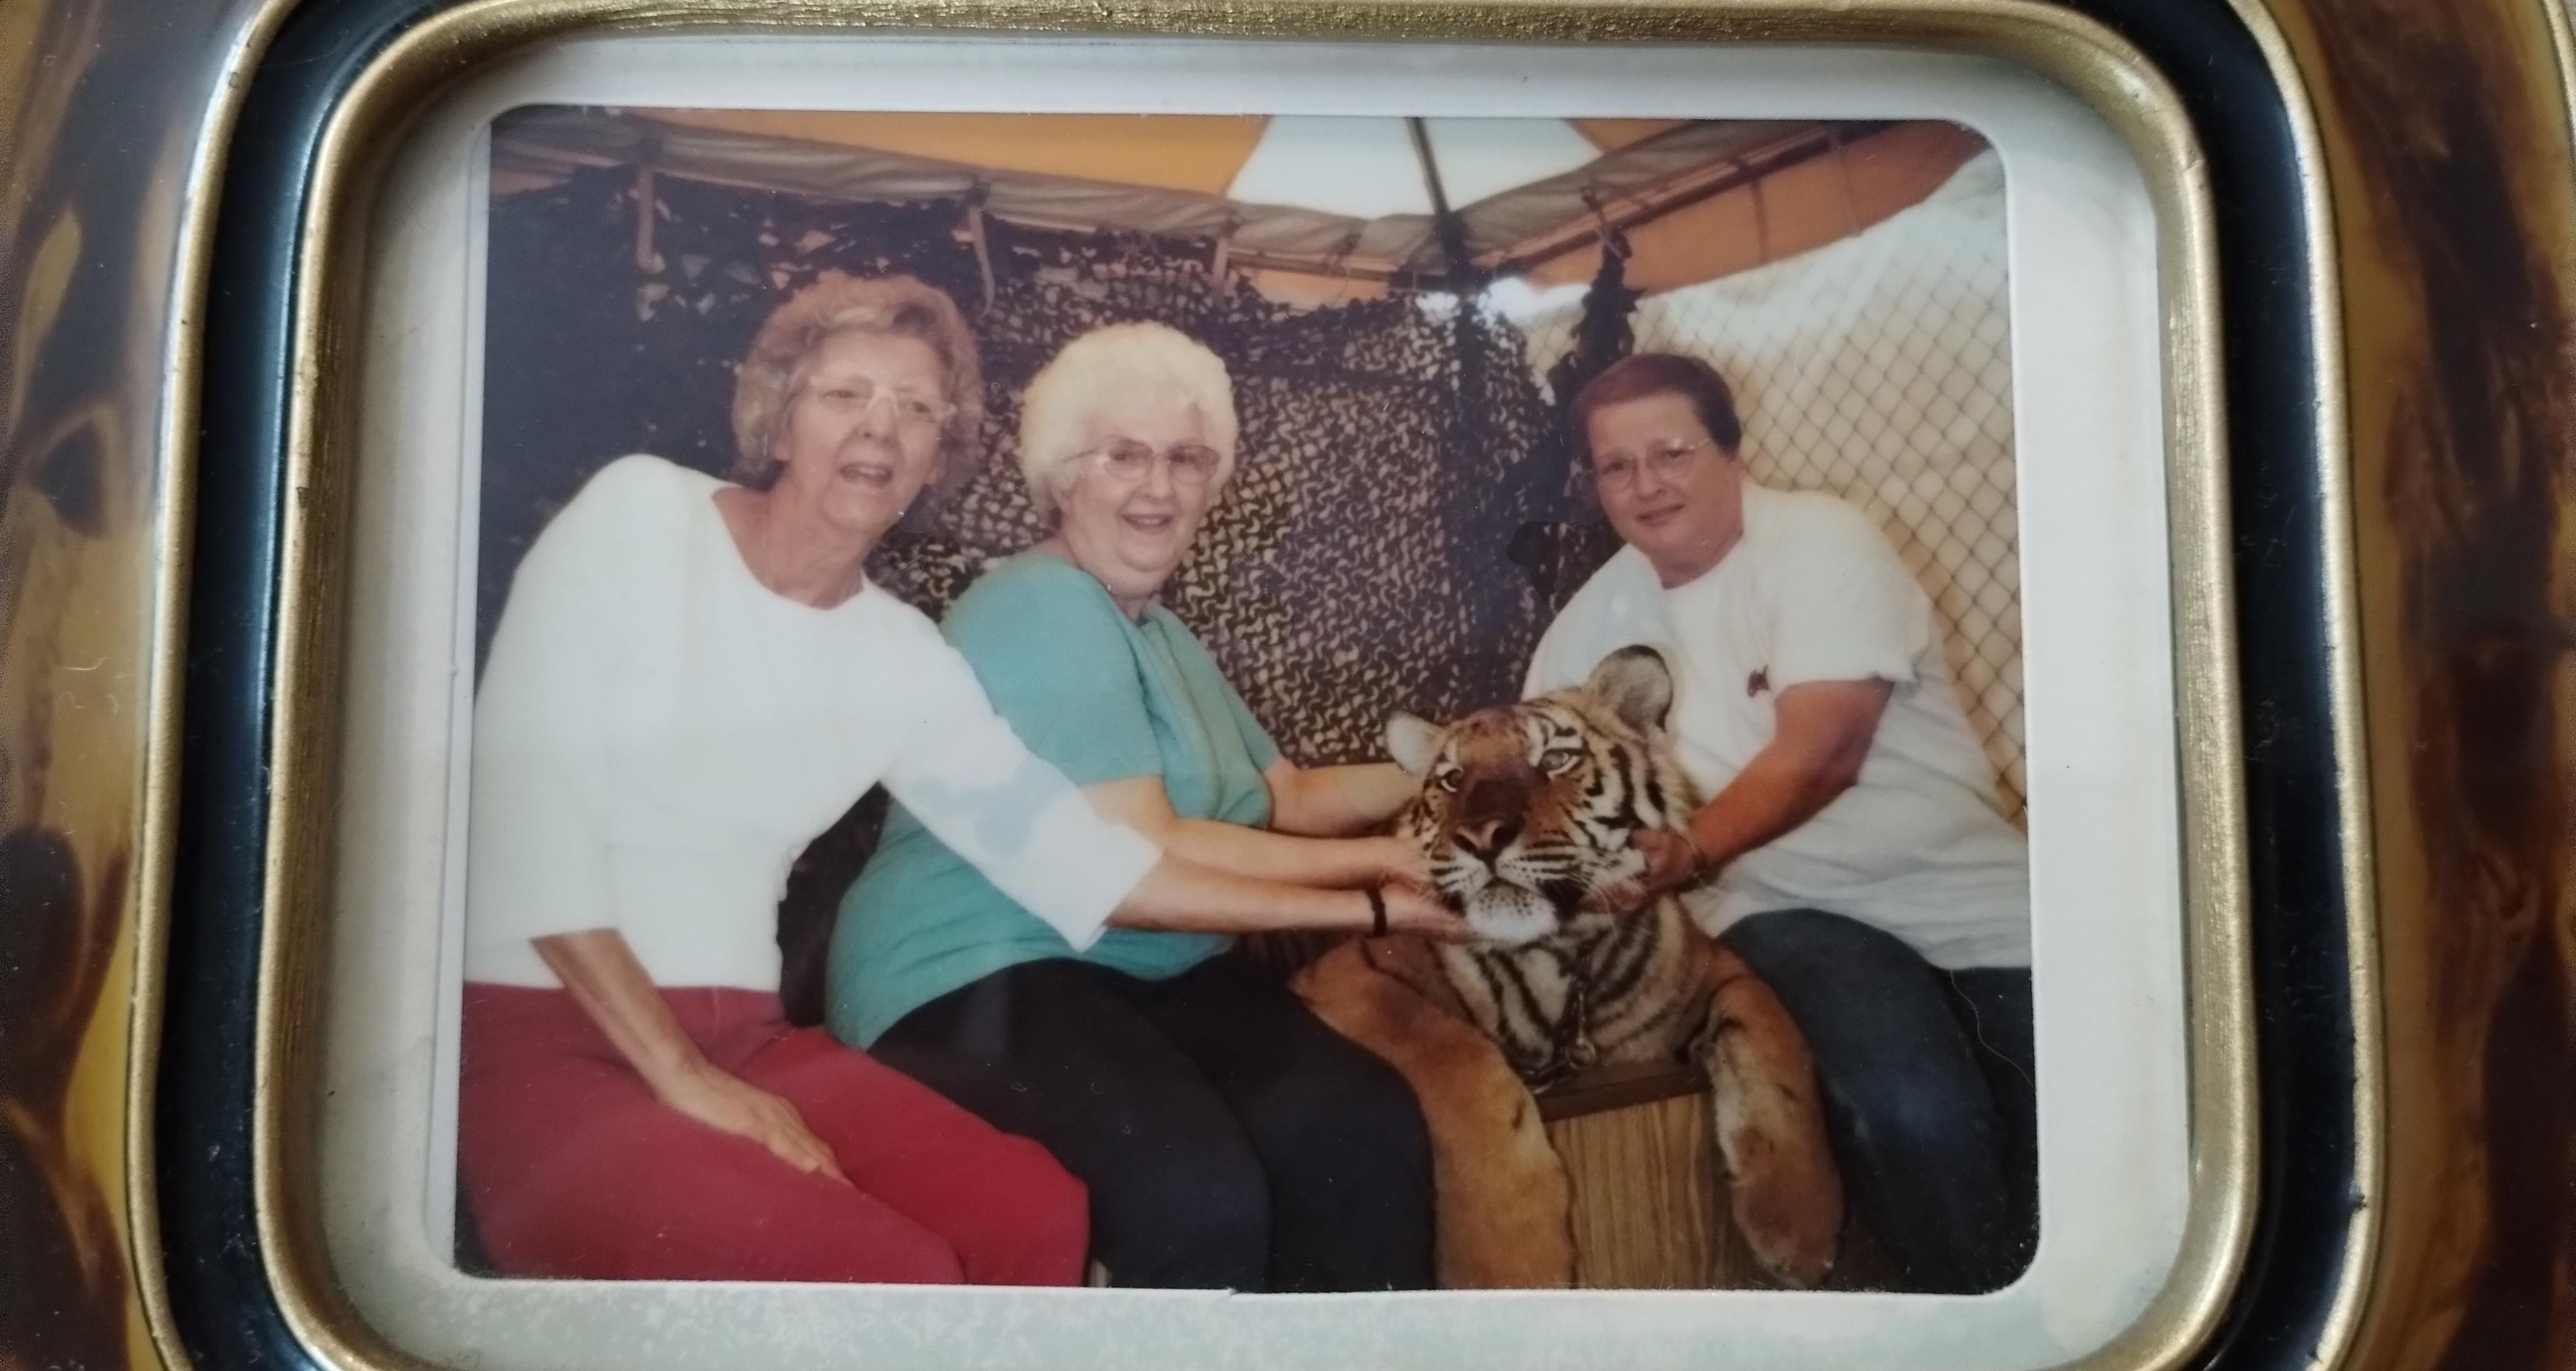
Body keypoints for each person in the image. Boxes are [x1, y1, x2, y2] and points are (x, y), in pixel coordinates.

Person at [459, 274, 1426, 1286]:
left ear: (934, 461)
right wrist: (681, 1074)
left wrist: (1383, 902)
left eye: (917, 408)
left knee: (1030, 1214)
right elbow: (525, 826)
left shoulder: (901, 657)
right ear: (779, 419)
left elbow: (1087, 869)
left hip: (745, 1035)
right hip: (547, 1028)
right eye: (845, 394)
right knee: (890, 1270)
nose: (881, 426)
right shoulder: (641, 514)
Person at [828, 321, 1458, 1293]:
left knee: (1364, 1123)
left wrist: (1471, 763)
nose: (1157, 488)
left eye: (1186, 459)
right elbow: (1141, 852)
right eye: (1123, 455)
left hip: (1146, 971)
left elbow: (1293, 796)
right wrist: (1383, 885)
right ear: (1061, 476)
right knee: (1193, 1192)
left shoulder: (1163, 636)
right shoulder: (1041, 603)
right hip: (982, 971)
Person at [1522, 352, 2036, 1293]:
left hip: (1965, 890)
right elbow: (1545, 789)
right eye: (1616, 466)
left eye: (1671, 452)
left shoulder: (1822, 541)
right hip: (1778, 906)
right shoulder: (1585, 629)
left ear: (1731, 447)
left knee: (2078, 1116)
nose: (1647, 484)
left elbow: (1823, 754)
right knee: (1914, 1111)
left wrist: (1687, 848)